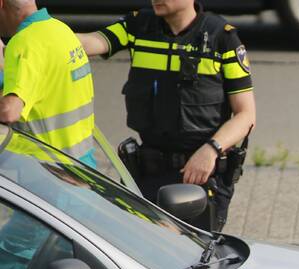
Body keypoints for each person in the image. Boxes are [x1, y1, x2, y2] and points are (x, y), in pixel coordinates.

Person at [77, 1, 256, 231]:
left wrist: (211, 149)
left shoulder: (221, 37)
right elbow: (90, 42)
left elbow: (246, 115)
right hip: (147, 172)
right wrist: (40, 30)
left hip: (197, 174)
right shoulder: (138, 26)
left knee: (188, 255)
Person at [0, 0, 97, 166]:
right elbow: (45, 83)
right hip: (83, 166)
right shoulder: (61, 30)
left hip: (48, 174)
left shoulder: (24, 43)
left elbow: (9, 111)